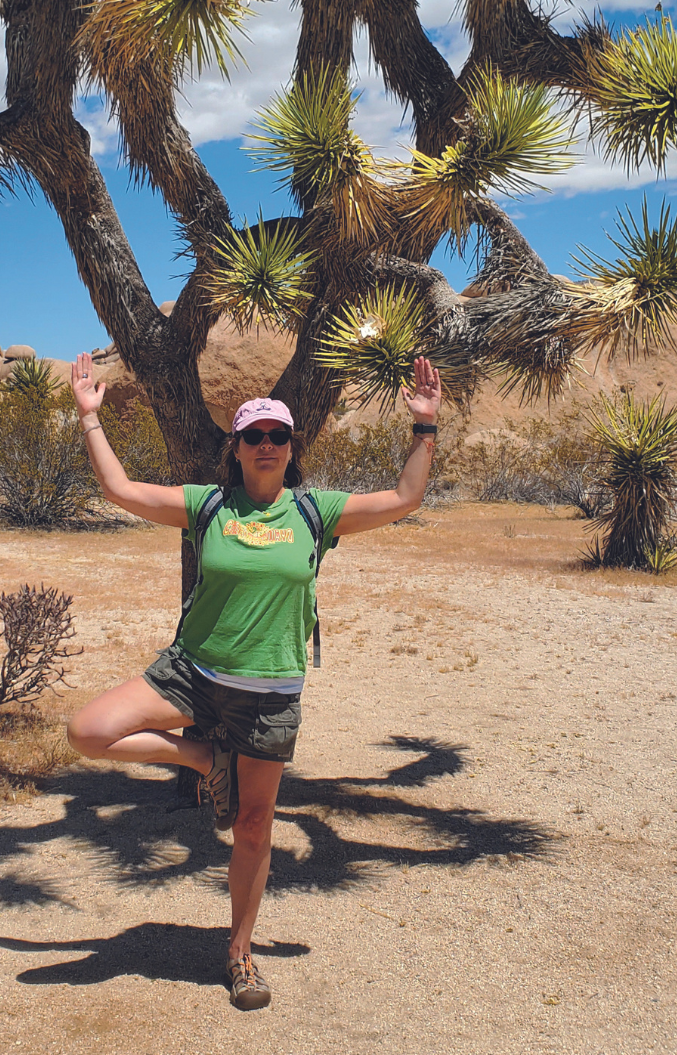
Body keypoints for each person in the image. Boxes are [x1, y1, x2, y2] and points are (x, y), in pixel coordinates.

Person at [67, 353, 442, 1010]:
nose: (267, 446)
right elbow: (122, 492)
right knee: (88, 730)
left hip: (268, 694)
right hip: (192, 673)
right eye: (254, 436)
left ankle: (240, 953)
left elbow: (405, 498)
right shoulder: (206, 504)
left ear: (291, 447)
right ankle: (202, 757)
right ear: (235, 449)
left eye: (278, 436)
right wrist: (90, 418)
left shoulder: (314, 511)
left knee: (251, 827)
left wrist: (424, 426)